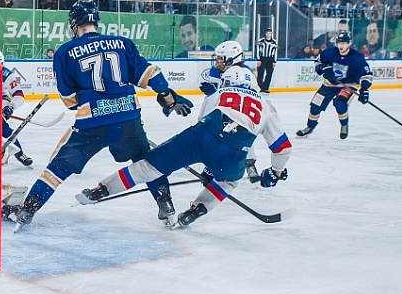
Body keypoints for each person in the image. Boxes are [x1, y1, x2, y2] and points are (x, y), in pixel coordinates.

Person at [3, 1, 193, 229]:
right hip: (128, 119)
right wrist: (167, 95)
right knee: (146, 162)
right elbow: (150, 73)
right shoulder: (122, 43)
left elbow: (70, 100)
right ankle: (166, 203)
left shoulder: (64, 52)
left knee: (58, 168)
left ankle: (27, 210)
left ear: (74, 24)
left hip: (92, 123)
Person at [87, 67, 292, 228]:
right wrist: (275, 172)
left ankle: (103, 189)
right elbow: (283, 148)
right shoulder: (265, 104)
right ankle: (197, 209)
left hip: (200, 137)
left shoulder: (218, 93)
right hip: (233, 153)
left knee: (148, 167)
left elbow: (203, 120)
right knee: (229, 182)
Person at [198, 40, 261, 182]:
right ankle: (220, 164)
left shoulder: (241, 74)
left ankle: (248, 163)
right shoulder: (235, 72)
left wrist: (214, 94)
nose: (218, 62)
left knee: (233, 133)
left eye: (221, 59)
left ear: (231, 59)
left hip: (237, 111)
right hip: (231, 109)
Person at [296, 32, 373, 139]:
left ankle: (344, 125)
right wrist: (322, 68)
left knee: (340, 103)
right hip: (329, 84)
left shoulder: (357, 57)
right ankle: (309, 127)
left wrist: (364, 89)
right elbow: (317, 62)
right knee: (315, 106)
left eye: (344, 43)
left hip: (348, 84)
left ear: (349, 43)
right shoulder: (329, 52)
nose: (341, 46)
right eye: (339, 43)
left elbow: (366, 74)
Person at [0, 50, 33, 167]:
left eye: (0, 64)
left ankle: (19, 153)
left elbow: (19, 95)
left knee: (1, 126)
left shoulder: (7, 75)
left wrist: (10, 108)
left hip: (1, 100)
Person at [256, 28, 277, 93]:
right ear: (265, 34)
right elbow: (258, 50)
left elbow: (275, 52)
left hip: (270, 59)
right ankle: (260, 87)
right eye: (267, 33)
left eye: (270, 33)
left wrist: (274, 61)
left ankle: (266, 88)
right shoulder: (261, 41)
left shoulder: (274, 42)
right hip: (262, 58)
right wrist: (258, 59)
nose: (268, 34)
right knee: (260, 73)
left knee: (269, 74)